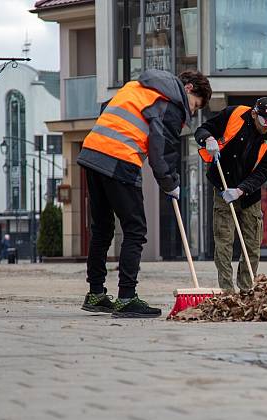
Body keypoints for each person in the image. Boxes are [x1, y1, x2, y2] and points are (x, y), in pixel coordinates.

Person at [77, 69, 211, 318]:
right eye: (194, 106)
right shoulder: (171, 102)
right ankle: (126, 298)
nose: (191, 112)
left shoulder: (136, 87)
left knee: (102, 228)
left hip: (92, 153)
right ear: (189, 88)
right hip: (119, 159)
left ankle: (96, 293)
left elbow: (106, 111)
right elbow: (161, 152)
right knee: (135, 229)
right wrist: (171, 183)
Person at [195, 97, 267, 293]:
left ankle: (246, 288)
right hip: (223, 187)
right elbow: (202, 129)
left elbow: (265, 170)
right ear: (254, 113)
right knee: (224, 241)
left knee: (252, 244)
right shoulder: (233, 114)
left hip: (249, 193)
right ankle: (227, 291)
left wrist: (241, 190)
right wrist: (208, 139)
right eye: (264, 121)